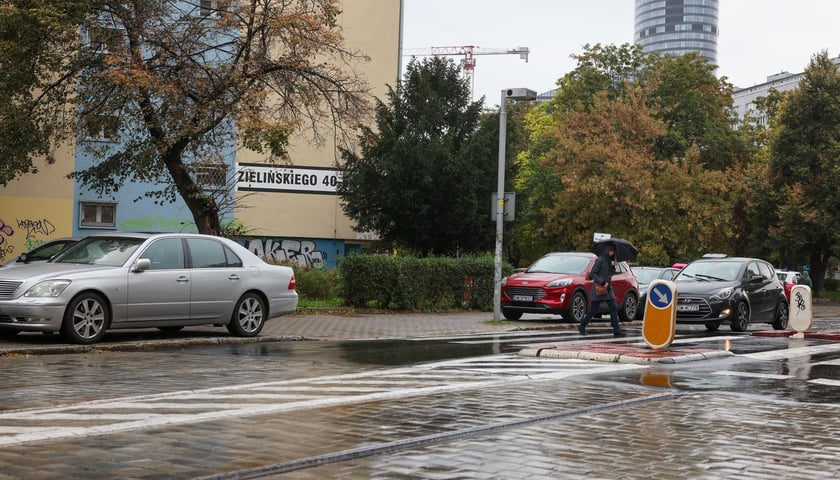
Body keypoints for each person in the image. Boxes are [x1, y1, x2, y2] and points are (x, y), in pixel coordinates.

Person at [579, 243, 626, 337]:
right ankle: (582, 326)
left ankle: (616, 330)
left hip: (608, 289)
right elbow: (592, 273)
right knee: (593, 310)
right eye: (611, 251)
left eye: (613, 251)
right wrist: (602, 282)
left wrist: (614, 266)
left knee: (613, 308)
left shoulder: (609, 261)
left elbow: (610, 274)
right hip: (599, 288)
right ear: (607, 250)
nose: (612, 253)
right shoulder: (600, 260)